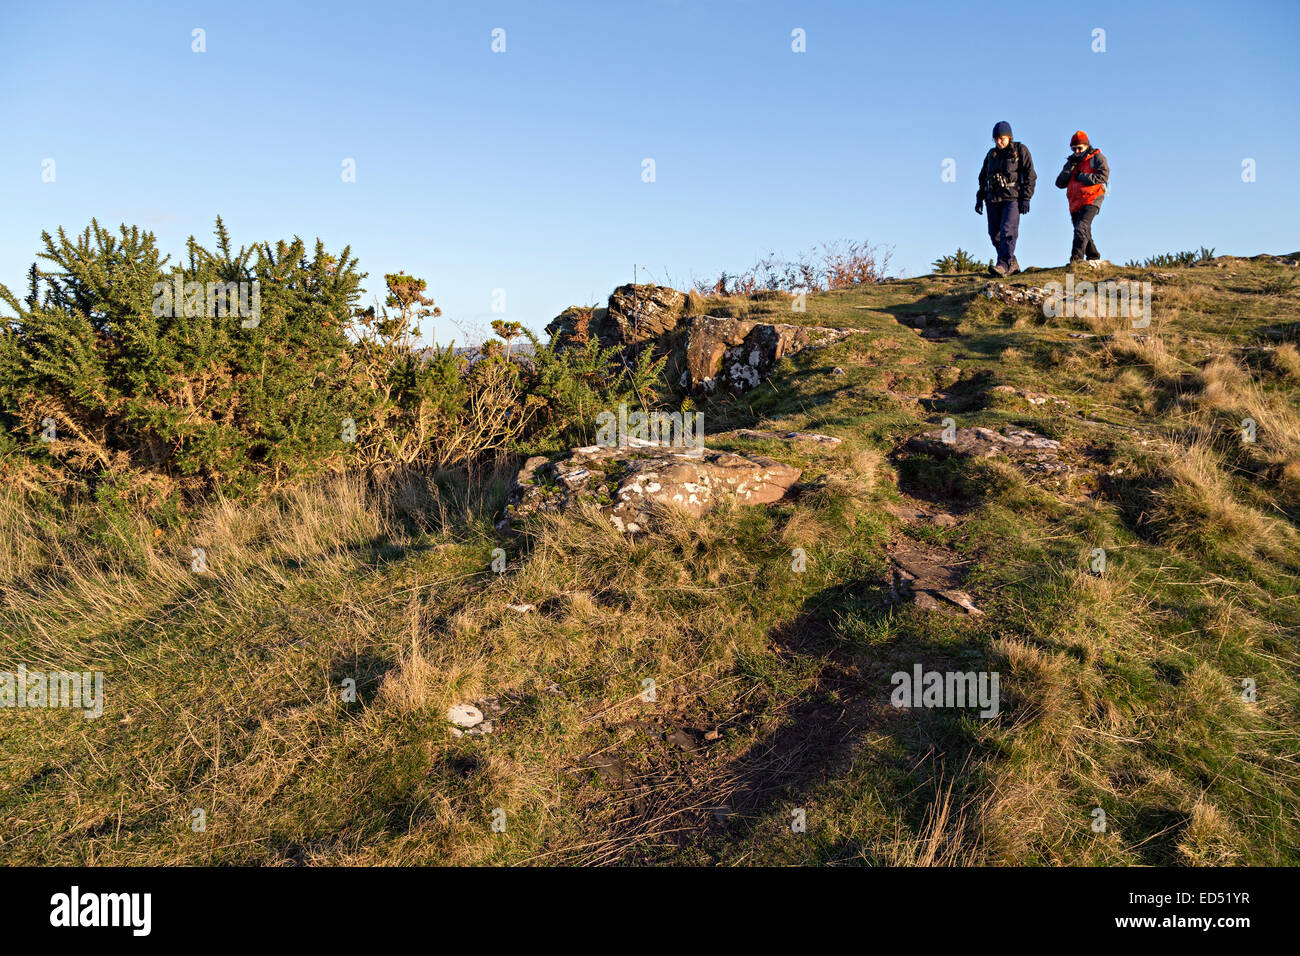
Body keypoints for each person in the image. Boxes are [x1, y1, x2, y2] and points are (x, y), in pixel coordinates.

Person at [976, 121, 1036, 276]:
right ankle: (1011, 263)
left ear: (1009, 137)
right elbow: (983, 178)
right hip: (992, 199)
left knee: (1008, 231)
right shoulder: (991, 155)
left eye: (1002, 138)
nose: (998, 142)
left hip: (1012, 198)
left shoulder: (1020, 150)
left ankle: (1002, 265)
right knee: (994, 233)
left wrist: (1026, 198)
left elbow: (1030, 175)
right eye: (996, 139)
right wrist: (979, 198)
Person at [1055, 130, 1109, 262]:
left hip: (1092, 198)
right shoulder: (1071, 163)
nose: (1077, 151)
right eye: (1074, 149)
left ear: (1087, 145)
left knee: (1081, 227)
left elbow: (1103, 176)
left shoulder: (1097, 158)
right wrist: (1070, 169)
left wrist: (1083, 177)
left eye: (1080, 148)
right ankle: (1093, 256)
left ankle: (1076, 258)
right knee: (1083, 230)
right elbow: (1059, 183)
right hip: (1075, 202)